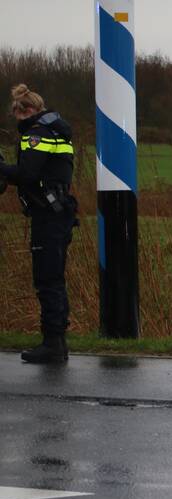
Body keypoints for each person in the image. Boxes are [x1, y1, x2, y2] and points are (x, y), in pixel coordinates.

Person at [0, 84, 78, 364]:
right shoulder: (57, 131)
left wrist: (3, 170)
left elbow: (27, 174)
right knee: (53, 277)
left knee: (47, 279)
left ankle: (53, 343)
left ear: (26, 111)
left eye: (16, 115)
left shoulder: (36, 134)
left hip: (49, 215)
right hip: (59, 212)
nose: (16, 121)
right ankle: (57, 341)